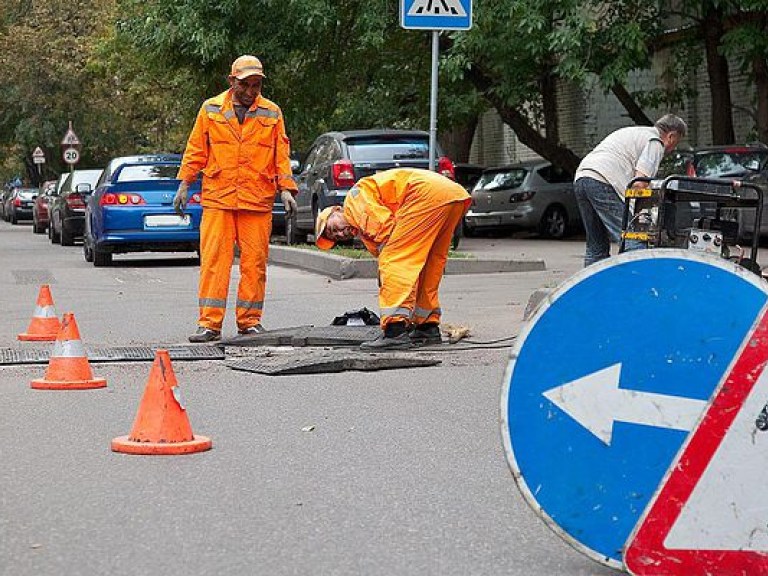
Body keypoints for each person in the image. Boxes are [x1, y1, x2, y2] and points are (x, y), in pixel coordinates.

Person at [174, 55, 298, 343]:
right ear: (232, 81)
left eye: (256, 85)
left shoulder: (272, 112)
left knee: (254, 264)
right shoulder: (211, 108)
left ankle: (249, 322)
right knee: (214, 262)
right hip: (219, 197)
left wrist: (286, 189)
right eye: (245, 84)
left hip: (256, 198)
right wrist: (184, 184)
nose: (251, 91)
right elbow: (196, 149)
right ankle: (209, 324)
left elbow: (281, 155)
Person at [314, 168, 470, 350]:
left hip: (426, 196)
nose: (340, 233)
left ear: (337, 210)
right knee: (428, 264)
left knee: (395, 259)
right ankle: (427, 326)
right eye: (336, 237)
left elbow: (387, 233)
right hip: (450, 195)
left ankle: (395, 331)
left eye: (334, 228)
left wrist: (387, 268)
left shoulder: (353, 201)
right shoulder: (362, 225)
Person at [573, 113, 688, 266]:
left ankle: (590, 289)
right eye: (676, 143)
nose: (673, 149)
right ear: (671, 136)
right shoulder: (655, 143)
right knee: (632, 239)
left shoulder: (636, 132)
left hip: (582, 176)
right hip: (604, 180)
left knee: (596, 246)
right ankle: (640, 285)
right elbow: (639, 183)